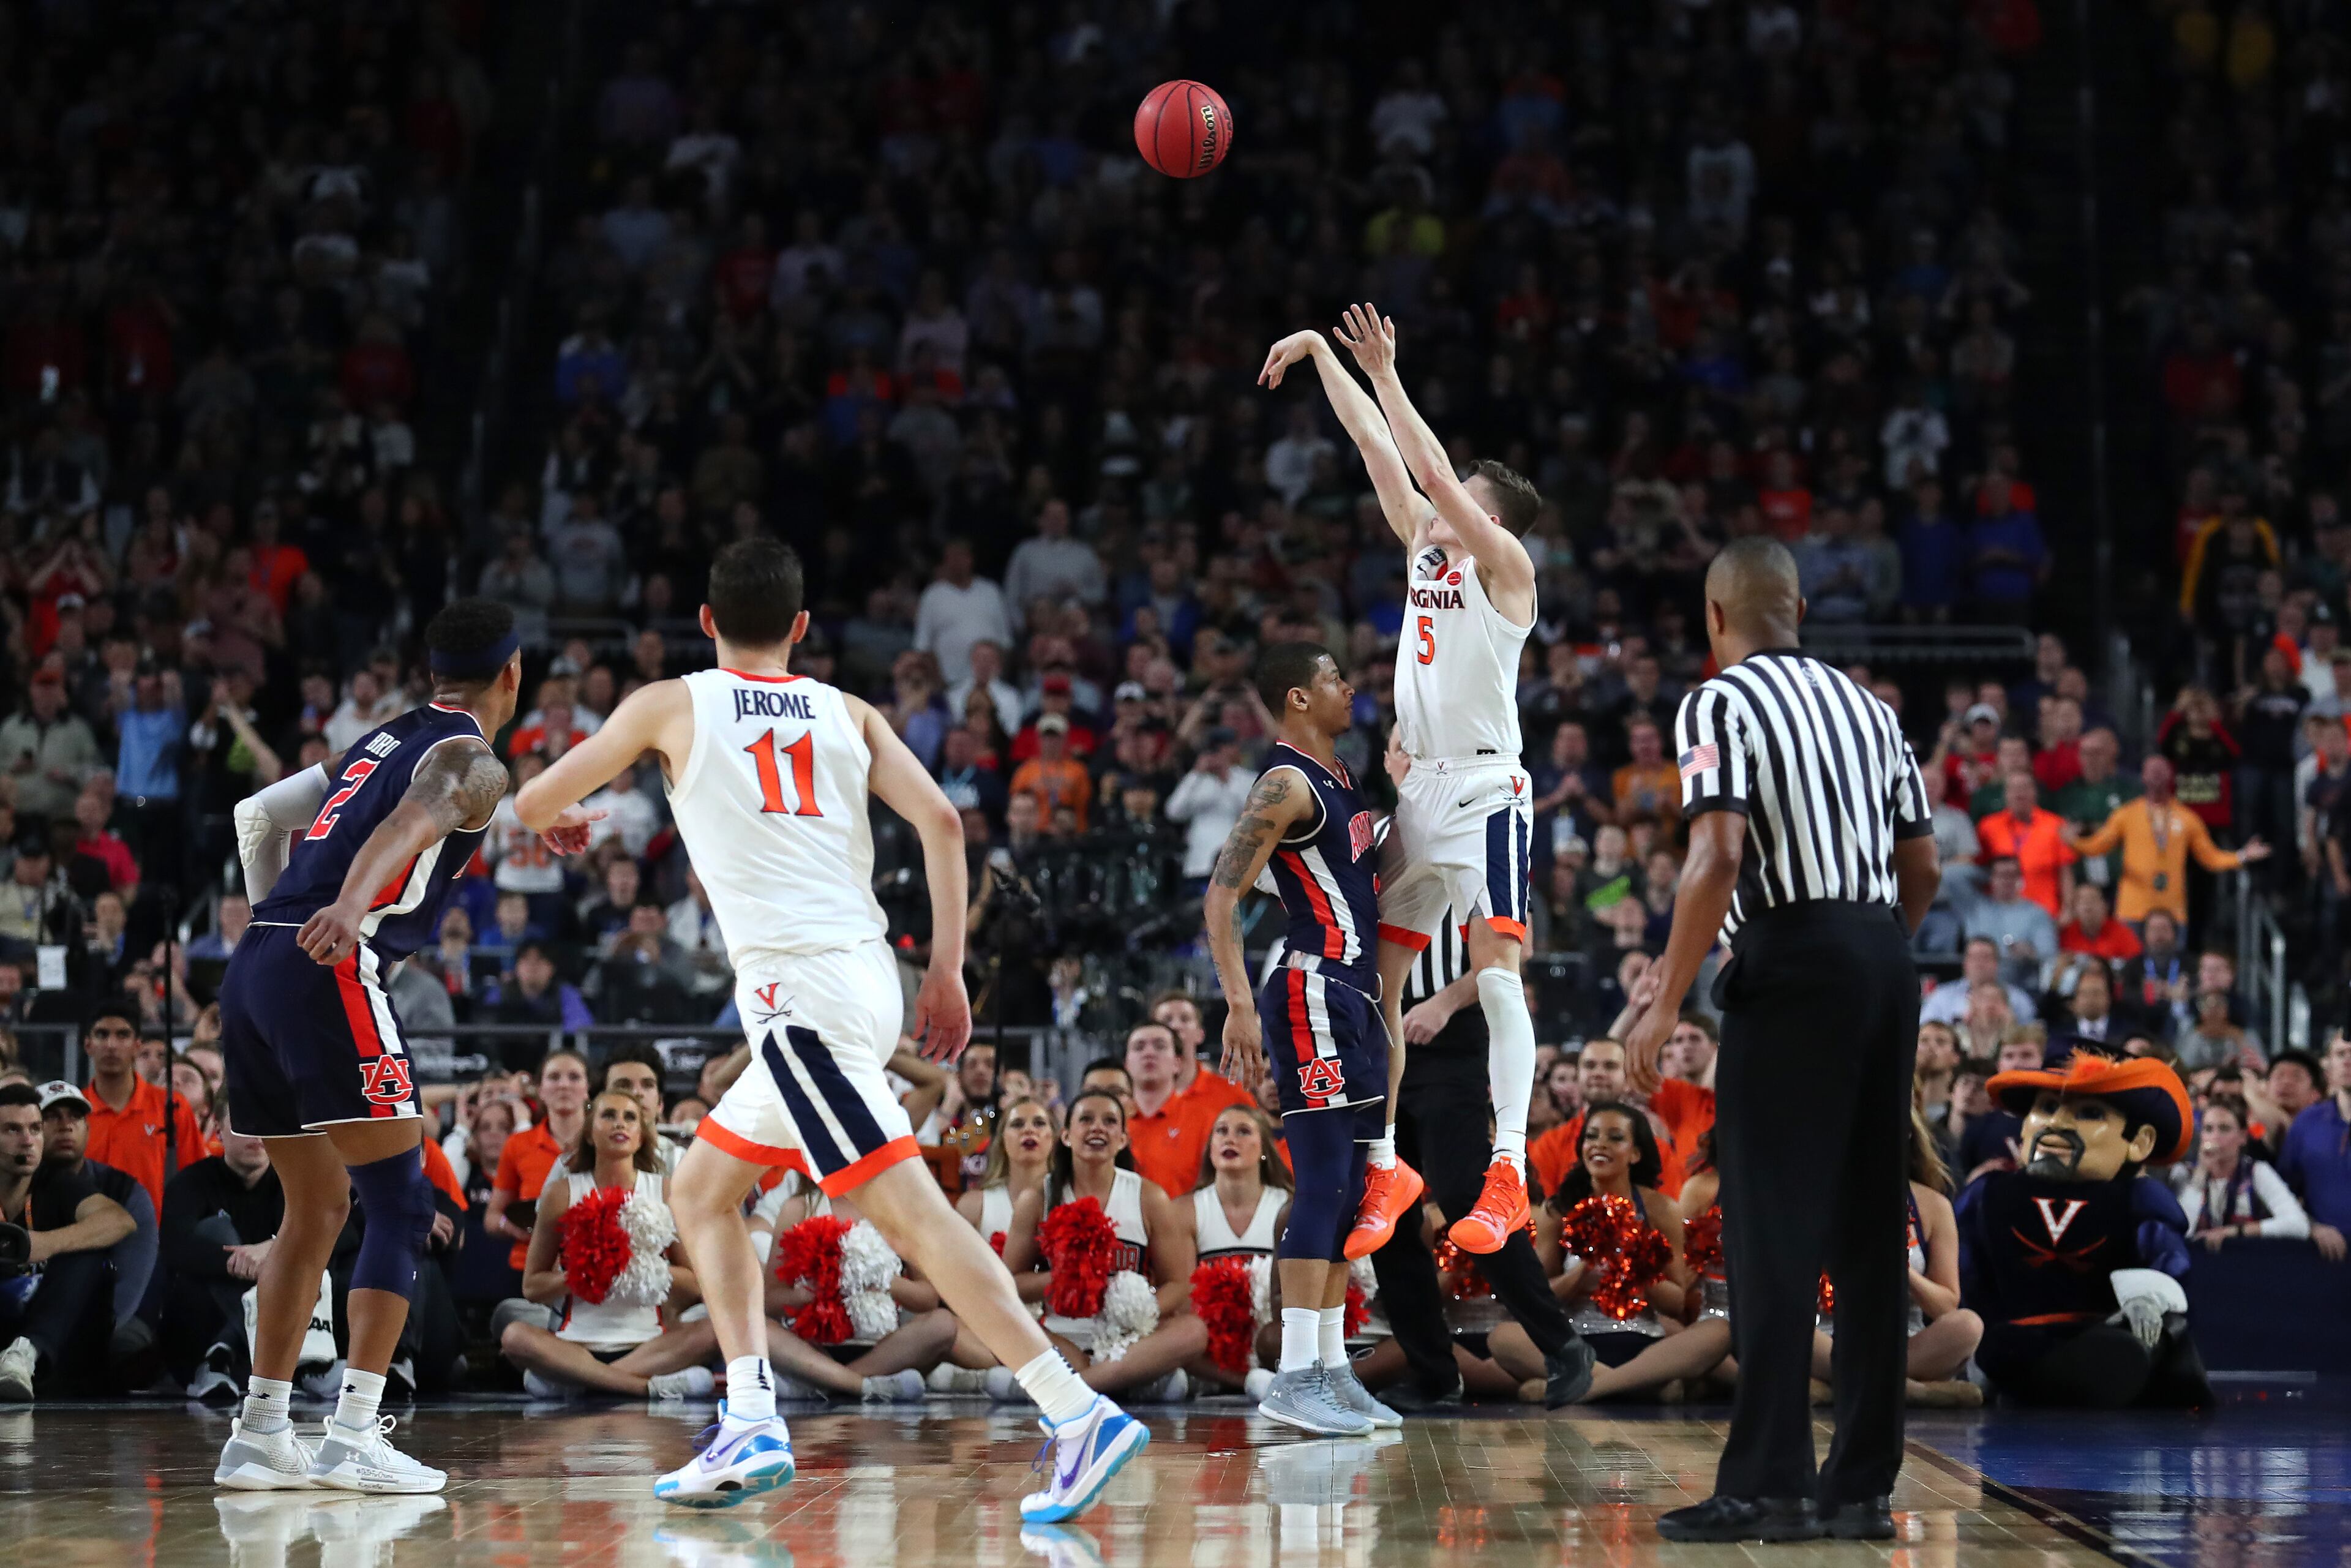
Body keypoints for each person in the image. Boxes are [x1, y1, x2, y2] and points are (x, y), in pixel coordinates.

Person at [512, 539, 1146, 1521]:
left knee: (914, 1220)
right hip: (859, 979)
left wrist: (558, 819)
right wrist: (945, 969)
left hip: (801, 1001)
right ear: (803, 629)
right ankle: (754, 1416)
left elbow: (534, 796)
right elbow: (942, 822)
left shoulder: (671, 703)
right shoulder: (849, 712)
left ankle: (1075, 1413)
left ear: (707, 621)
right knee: (701, 1188)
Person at [1623, 538, 1940, 1544]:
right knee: (1867, 1227)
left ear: (1715, 618)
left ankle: (1767, 1485)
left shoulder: (1719, 701)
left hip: (1792, 954)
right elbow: (1921, 862)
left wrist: (1668, 1002)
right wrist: (1869, 952)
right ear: (1798, 604)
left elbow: (1717, 853)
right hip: (1885, 954)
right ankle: (1860, 1489)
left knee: (1771, 1225)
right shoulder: (1876, 711)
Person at [212, 597, 529, 1495]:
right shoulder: (472, 756)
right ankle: (355, 1430)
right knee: (398, 1200)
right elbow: (409, 830)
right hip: (333, 960)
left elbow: (254, 816)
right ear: (511, 675)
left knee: (311, 1213)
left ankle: (260, 1434)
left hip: (259, 963)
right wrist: (347, 911)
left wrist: (279, 931)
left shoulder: (374, 742)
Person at [1260, 309, 1549, 1270]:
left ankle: (1507, 1171)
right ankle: (1385, 1161)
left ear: (1488, 519)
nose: (1434, 503)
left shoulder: (1508, 570)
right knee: (1370, 973)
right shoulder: (1428, 548)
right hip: (1417, 793)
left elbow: (1420, 462)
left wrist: (1388, 369)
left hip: (1485, 792)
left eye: (1457, 497)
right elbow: (1380, 451)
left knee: (1501, 969)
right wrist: (1319, 356)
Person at [1200, 640, 1395, 1435]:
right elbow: (1221, 897)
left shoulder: (1346, 782)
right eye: (1333, 679)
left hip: (1353, 992)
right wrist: (1238, 1004)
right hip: (1309, 985)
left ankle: (1333, 1368)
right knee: (1319, 1184)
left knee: (1348, 1191)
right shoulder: (1286, 781)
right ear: (1298, 699)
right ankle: (1292, 1376)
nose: (1349, 689)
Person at [497, 1090, 717, 1400]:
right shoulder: (562, 1193)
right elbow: (532, 1286)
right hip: (575, 1345)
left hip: (650, 1346)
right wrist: (583, 1276)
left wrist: (641, 1265)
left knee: (712, 1330)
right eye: (608, 1115)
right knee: (515, 1336)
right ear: (589, 1132)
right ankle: (644, 1388)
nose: (620, 1125)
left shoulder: (665, 1191)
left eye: (630, 1118)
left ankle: (582, 1383)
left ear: (641, 1136)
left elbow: (695, 1284)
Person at [998, 1089, 1210, 1397]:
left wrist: (1139, 1312)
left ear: (1123, 1139)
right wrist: (1063, 1280)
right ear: (1067, 1136)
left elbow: (1178, 1284)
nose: (1098, 1127)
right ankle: (1119, 1383)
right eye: (1086, 1119)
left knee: (1193, 1331)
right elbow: (1008, 1285)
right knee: (1003, 1328)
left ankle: (1076, 1390)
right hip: (1060, 1338)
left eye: (1110, 1121)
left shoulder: (1149, 1197)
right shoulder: (1037, 1198)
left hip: (1128, 1340)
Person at [1535, 1101, 1731, 1405]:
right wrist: (1583, 1271)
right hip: (1573, 1341)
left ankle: (1588, 1388)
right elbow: (1539, 1299)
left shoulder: (1662, 1210)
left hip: (1642, 1343)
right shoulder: (1557, 1212)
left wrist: (1631, 1262)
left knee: (1719, 1331)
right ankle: (1630, 1384)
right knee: (1505, 1337)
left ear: (1636, 1154)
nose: (1600, 1144)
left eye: (1615, 1137)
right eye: (1591, 1136)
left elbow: (1676, 1303)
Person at [1808, 1108, 1984, 1403]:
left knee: (1968, 1326)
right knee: (1774, 1330)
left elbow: (1946, 1306)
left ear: (1907, 1135)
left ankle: (1837, 1387)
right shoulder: (1809, 1197)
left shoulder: (1932, 1205)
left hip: (1904, 1345)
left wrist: (1901, 1269)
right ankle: (1914, 1392)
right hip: (1824, 1339)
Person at [0, 1081, 134, 1400]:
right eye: (13, 1130)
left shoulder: (55, 1182)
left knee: (88, 1255)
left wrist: (46, 1243)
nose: (28, 1141)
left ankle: (24, 1353)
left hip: (50, 1343)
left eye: (35, 1129)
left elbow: (118, 1220)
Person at [1170, 1105, 1293, 1392]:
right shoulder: (1184, 1210)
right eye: (1221, 1131)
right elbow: (1183, 1294)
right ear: (1210, 1148)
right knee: (1178, 1333)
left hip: (1271, 1335)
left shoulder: (1288, 1206)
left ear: (1264, 1148)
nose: (1230, 1139)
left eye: (1243, 1132)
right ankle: (1249, 1383)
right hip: (1211, 1339)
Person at [2065, 756, 2269, 928]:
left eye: (2161, 771)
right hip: (2132, 908)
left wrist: (2242, 855)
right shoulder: (2126, 815)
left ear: (2170, 775)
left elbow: (2210, 857)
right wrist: (2073, 841)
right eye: (2151, 772)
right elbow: (2098, 846)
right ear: (2143, 776)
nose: (2156, 776)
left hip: (2172, 912)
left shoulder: (2187, 818)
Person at [2172, 1097, 2309, 1246]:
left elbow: (2298, 1225)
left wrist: (2235, 1232)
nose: (2215, 1137)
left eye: (2224, 1129)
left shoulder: (2257, 1172)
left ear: (2243, 1136)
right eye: (2208, 1129)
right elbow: (2183, 1232)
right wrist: (2200, 1175)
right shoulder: (2185, 1174)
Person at [2277, 1032, 2351, 1260]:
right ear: (2328, 1066)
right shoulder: (2307, 1122)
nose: (2348, 1061)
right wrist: (2312, 1227)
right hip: (2323, 1259)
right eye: (2341, 1054)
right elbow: (2283, 1194)